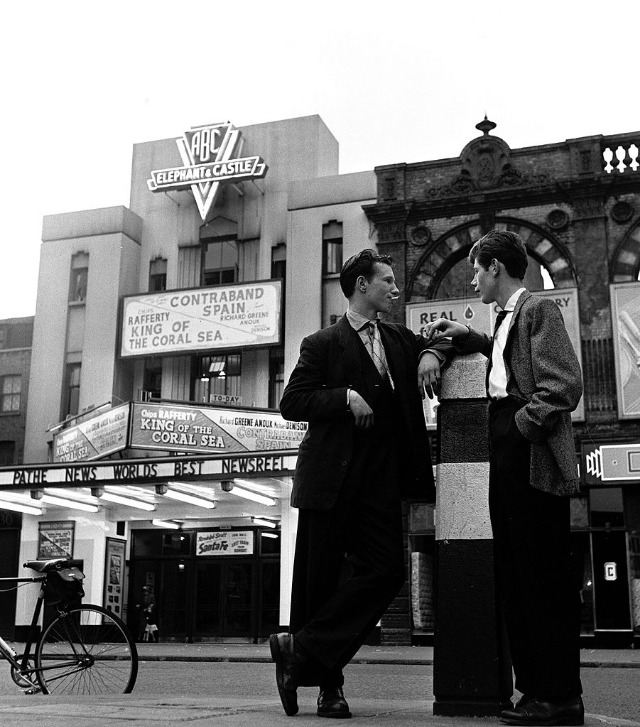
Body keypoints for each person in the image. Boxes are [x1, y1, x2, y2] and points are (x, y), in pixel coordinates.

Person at [270, 248, 454, 718]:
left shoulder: (399, 338)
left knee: (388, 569)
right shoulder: (322, 343)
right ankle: (329, 689)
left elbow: (448, 342)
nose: (395, 288)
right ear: (361, 287)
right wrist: (345, 397)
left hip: (380, 482)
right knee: (321, 587)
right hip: (329, 482)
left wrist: (431, 352)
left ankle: (300, 649)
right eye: (387, 281)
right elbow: (293, 401)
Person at [425, 230, 584, 726]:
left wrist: (518, 426)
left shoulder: (538, 309)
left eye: (477, 269)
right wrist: (463, 338)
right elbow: (501, 359)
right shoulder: (507, 320)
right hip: (509, 454)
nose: (473, 278)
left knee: (540, 581)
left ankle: (558, 697)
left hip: (528, 455)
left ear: (495, 267)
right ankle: (536, 692)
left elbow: (564, 385)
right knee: (517, 578)